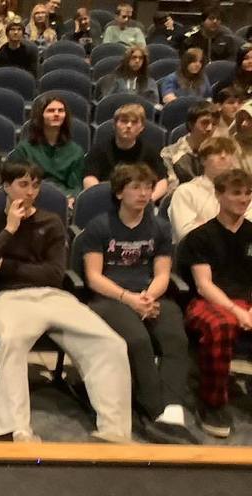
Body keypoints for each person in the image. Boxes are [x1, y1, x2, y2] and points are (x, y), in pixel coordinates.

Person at [0, 161, 132, 443]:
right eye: (23, 184)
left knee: (110, 342)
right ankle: (13, 430)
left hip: (52, 296)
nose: (30, 192)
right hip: (7, 299)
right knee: (13, 340)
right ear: (6, 187)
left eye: (35, 185)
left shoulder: (51, 222)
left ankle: (114, 431)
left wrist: (4, 264)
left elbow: (54, 274)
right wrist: (9, 230)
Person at [76, 163, 195, 444]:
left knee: (175, 339)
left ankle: (173, 411)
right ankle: (156, 411)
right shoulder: (100, 226)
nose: (144, 194)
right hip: (109, 297)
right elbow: (93, 277)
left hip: (149, 295)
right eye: (136, 187)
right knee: (138, 340)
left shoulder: (160, 228)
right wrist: (129, 299)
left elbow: (163, 273)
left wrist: (149, 297)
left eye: (148, 188)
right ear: (119, 192)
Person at [178, 168, 252, 436]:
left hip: (246, 303)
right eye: (236, 193)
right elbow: (204, 284)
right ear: (219, 195)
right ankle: (212, 401)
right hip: (207, 302)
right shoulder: (201, 236)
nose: (243, 199)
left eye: (247, 193)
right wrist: (237, 311)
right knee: (222, 325)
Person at [169, 137, 252, 241]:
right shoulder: (186, 192)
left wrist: (204, 225)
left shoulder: (245, 193)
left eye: (228, 152)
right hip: (197, 254)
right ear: (203, 160)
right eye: (217, 153)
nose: (223, 156)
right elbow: (186, 234)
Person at [82, 104, 168, 201]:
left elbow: (162, 181)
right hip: (105, 201)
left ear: (142, 127)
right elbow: (89, 178)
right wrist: (101, 198)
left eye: (134, 122)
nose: (129, 126)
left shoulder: (150, 151)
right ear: (114, 124)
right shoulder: (99, 150)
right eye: (124, 121)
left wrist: (148, 199)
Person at [9, 94, 83, 202]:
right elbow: (14, 180)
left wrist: (70, 198)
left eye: (61, 110)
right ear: (40, 115)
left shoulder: (76, 151)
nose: (56, 114)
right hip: (30, 198)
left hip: (62, 200)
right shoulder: (24, 149)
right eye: (51, 110)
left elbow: (75, 187)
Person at [161, 101, 220, 191]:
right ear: (190, 124)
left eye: (214, 124)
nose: (210, 128)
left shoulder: (222, 153)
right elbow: (172, 189)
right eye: (205, 123)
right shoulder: (170, 154)